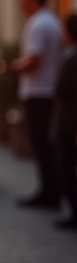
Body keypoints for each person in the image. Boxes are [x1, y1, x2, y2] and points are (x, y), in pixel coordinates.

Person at [11, 0, 65, 208]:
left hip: (38, 91)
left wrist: (14, 66)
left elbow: (35, 58)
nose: (20, 2)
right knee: (44, 142)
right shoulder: (50, 21)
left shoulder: (38, 24)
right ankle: (51, 189)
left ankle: (49, 192)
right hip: (46, 89)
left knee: (41, 142)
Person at [53, 13, 77, 228]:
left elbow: (60, 89)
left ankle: (74, 212)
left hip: (69, 121)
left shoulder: (70, 58)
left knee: (66, 164)